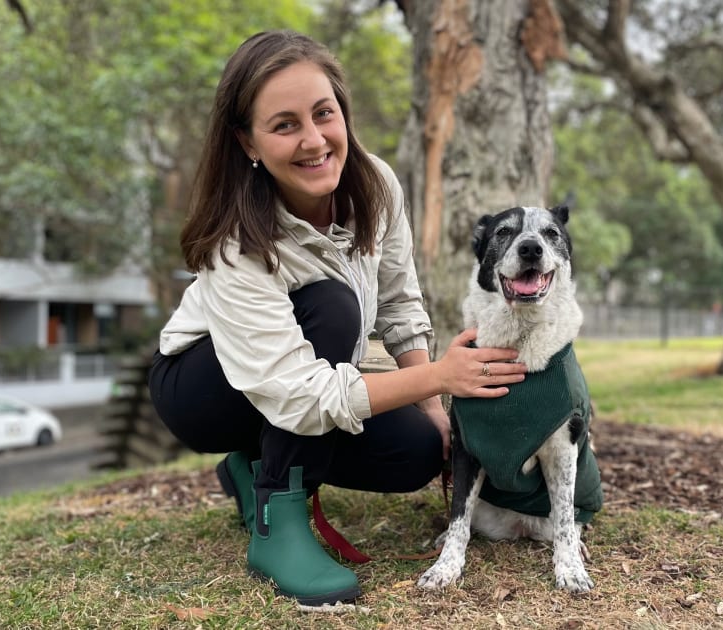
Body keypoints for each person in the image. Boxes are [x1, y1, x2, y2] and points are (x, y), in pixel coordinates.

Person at [147, 30, 526, 607]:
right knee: (329, 304)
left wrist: (432, 407)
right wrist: (442, 377)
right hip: (203, 388)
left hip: (296, 378)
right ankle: (278, 517)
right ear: (247, 141)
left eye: (324, 114)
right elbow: (299, 395)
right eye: (284, 125)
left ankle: (252, 467)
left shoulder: (376, 186)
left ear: (343, 113)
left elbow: (400, 303)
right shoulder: (234, 244)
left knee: (417, 452)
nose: (313, 140)